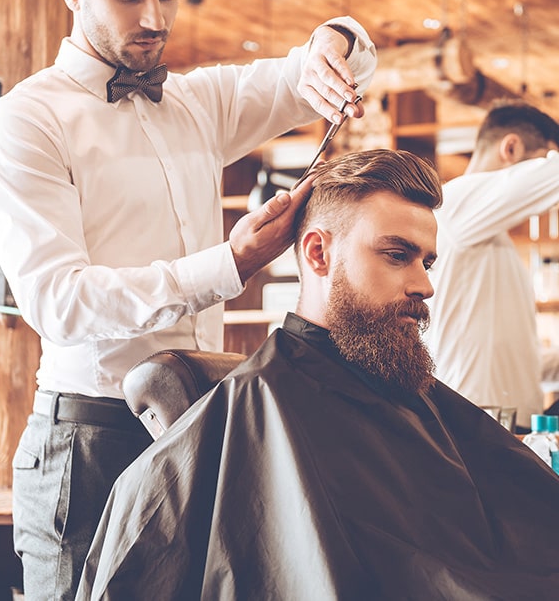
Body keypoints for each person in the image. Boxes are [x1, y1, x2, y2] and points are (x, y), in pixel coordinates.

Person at [0, 0, 377, 600]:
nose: (154, 19)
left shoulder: (196, 102)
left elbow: (333, 57)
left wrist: (328, 46)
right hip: (87, 443)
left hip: (197, 426)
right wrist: (232, 264)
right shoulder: (25, 124)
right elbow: (60, 303)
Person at [77, 149, 559, 601]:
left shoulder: (405, 387)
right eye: (396, 255)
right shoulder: (256, 403)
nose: (425, 285)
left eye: (426, 262)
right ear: (318, 254)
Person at [424, 100, 559, 431]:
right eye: (544, 161)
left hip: (509, 424)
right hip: (472, 421)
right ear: (510, 148)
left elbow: (506, 351)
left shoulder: (491, 238)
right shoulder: (455, 204)